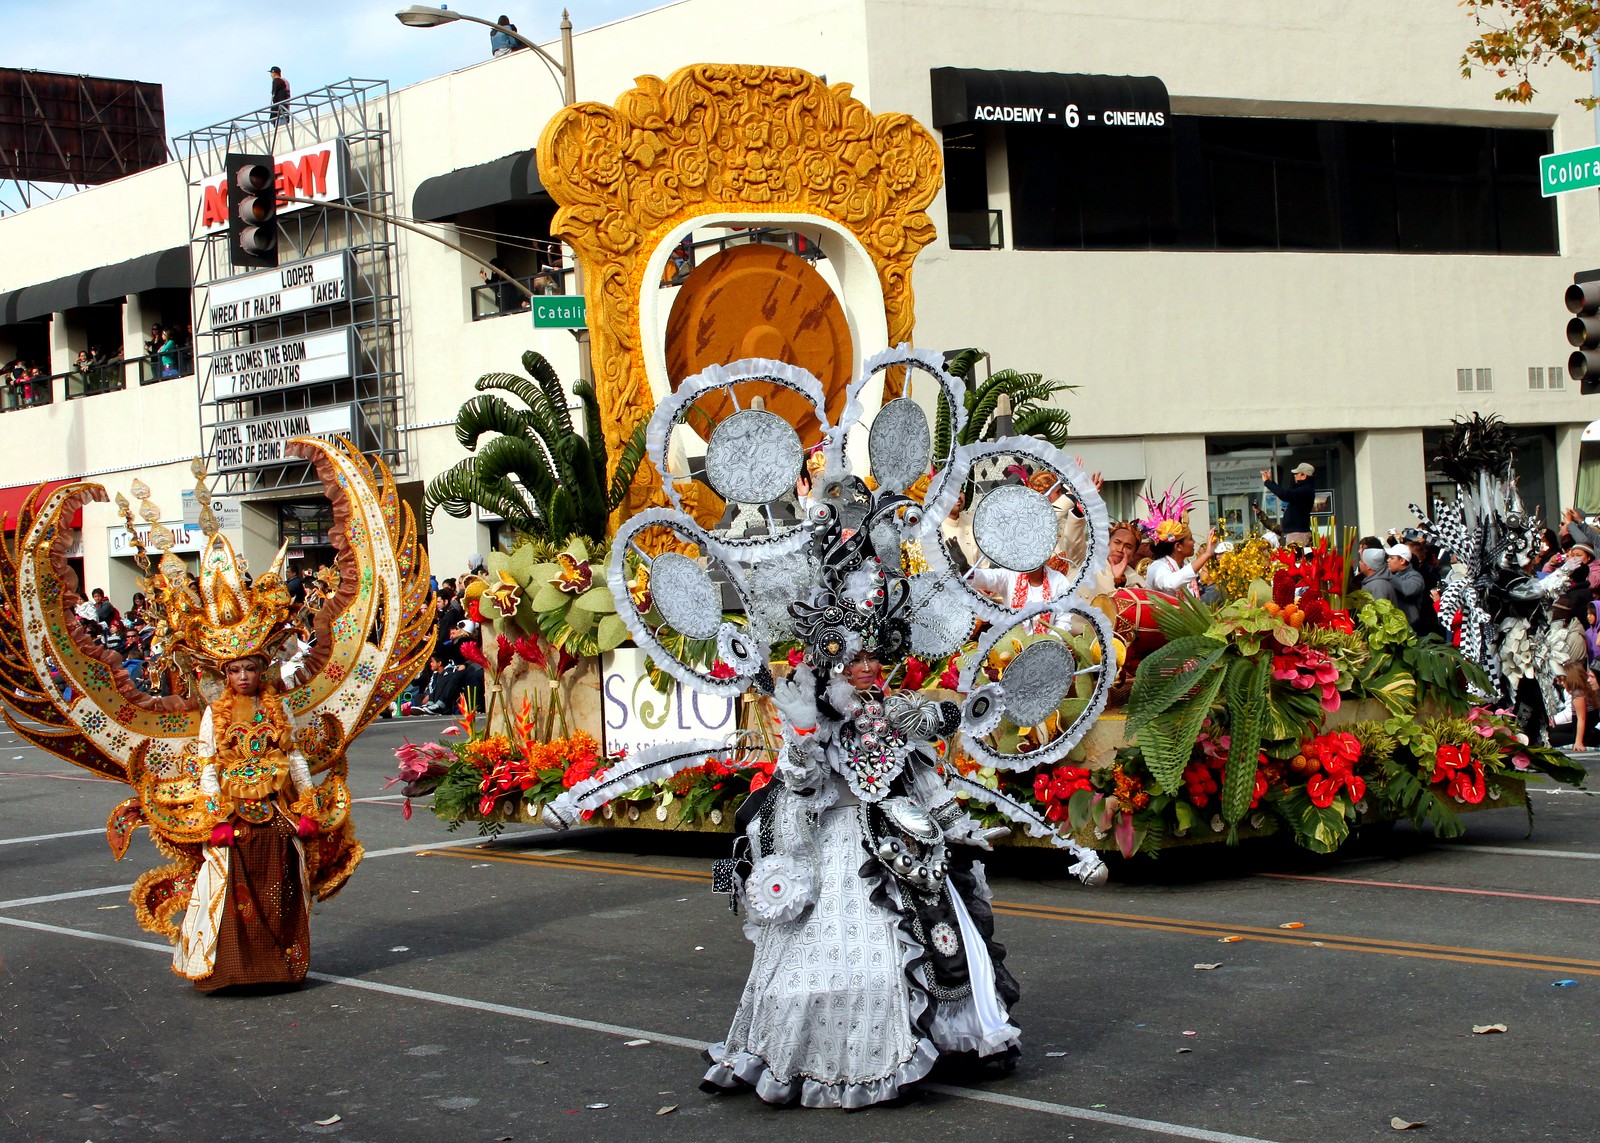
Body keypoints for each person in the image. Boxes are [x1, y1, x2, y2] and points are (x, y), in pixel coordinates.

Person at [172, 653, 348, 989]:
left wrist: (307, 806)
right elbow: (208, 764)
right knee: (230, 890)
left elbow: (294, 758)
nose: (243, 676)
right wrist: (216, 818)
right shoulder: (214, 712)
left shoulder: (278, 708)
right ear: (226, 675)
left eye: (250, 669)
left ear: (261, 672)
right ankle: (233, 970)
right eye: (235, 670)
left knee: (280, 887)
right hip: (234, 813)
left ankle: (277, 967)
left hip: (275, 810)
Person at [1145, 525, 1217, 597]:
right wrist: (1206, 555)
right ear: (1178, 546)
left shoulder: (1184, 565)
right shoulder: (1157, 567)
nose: (1194, 542)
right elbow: (1170, 584)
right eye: (1191, 539)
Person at [1260, 462, 1317, 547]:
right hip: (1295, 533)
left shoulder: (1305, 490)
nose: (1294, 475)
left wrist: (1268, 482)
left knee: (1296, 559)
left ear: (1304, 476)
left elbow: (1284, 495)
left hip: (1298, 534)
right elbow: (1286, 494)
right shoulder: (1304, 490)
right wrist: (1271, 481)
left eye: (1297, 474)